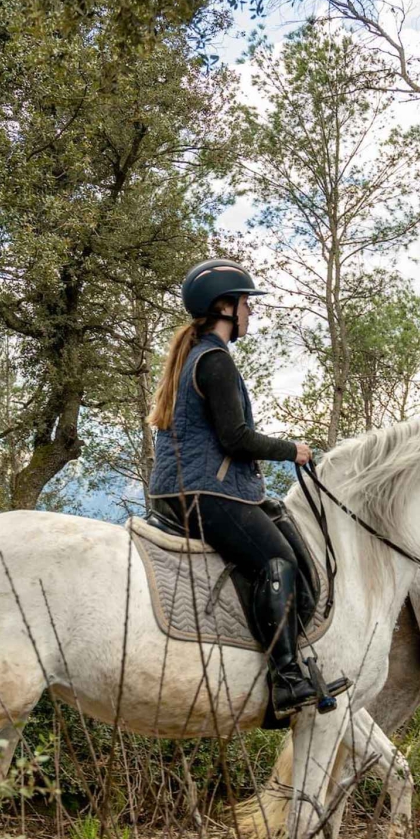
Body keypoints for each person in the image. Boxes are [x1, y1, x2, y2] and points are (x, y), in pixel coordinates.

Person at [148, 258, 321, 716]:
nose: (251, 313)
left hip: (188, 488)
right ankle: (285, 677)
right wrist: (293, 450)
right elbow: (235, 438)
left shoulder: (197, 356)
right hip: (205, 492)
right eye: (246, 303)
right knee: (278, 559)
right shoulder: (216, 361)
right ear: (225, 306)